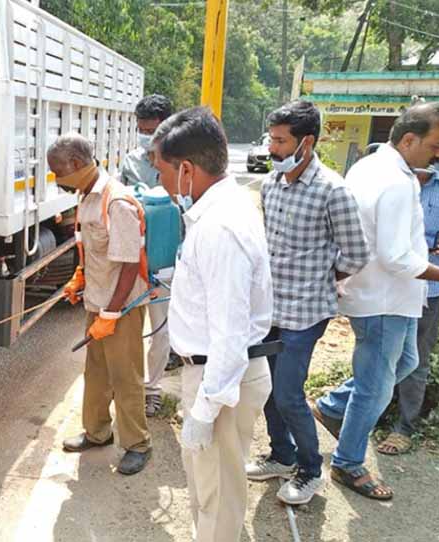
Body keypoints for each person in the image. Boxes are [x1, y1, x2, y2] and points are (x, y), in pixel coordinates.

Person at [312, 102, 439, 500]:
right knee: (376, 388)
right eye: (437, 145)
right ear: (410, 139)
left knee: (406, 363)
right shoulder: (397, 182)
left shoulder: (370, 165)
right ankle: (347, 463)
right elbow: (397, 257)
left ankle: (331, 407)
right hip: (384, 298)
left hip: (382, 294)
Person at [151, 107, 273, 542]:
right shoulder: (221, 207)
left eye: (161, 170)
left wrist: (205, 410)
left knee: (218, 498)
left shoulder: (220, 226)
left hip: (220, 380)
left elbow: (230, 332)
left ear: (187, 169)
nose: (160, 183)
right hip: (212, 374)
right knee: (208, 488)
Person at [246, 100, 369, 505]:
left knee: (288, 394)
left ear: (307, 142)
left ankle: (310, 469)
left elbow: (356, 254)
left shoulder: (333, 190)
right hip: (271, 309)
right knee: (266, 389)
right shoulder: (272, 185)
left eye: (281, 141)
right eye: (271, 139)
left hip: (306, 312)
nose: (272, 148)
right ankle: (281, 456)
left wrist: (321, 277)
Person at [50, 133, 152, 475]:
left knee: (125, 376)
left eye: (58, 171)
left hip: (119, 306)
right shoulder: (87, 196)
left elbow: (128, 265)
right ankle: (97, 433)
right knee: (96, 373)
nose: (56, 178)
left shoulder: (115, 202)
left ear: (77, 166)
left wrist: (111, 312)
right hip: (98, 302)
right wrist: (79, 278)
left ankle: (137, 444)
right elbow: (93, 250)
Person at [376, 163, 439, 455]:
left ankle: (404, 426)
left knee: (415, 358)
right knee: (377, 351)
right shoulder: (389, 178)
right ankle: (366, 414)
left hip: (430, 288)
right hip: (387, 283)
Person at [119, 93, 176, 417]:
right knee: (128, 330)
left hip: (165, 262)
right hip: (132, 261)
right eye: (141, 128)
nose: (145, 135)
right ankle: (128, 386)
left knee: (161, 331)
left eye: (151, 129)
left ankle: (151, 390)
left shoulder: (184, 163)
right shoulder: (131, 161)